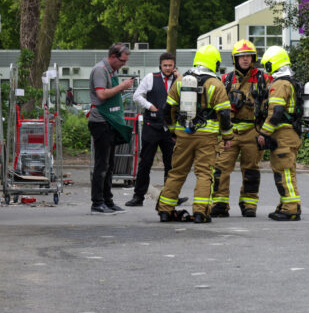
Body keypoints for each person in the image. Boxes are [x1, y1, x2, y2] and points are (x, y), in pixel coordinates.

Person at [156, 44, 233, 224]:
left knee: (176, 172)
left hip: (183, 135)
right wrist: (228, 136)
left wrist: (175, 130)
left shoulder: (181, 80)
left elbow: (167, 110)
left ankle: (165, 211)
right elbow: (224, 114)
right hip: (207, 138)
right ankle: (200, 213)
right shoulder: (216, 84)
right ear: (214, 63)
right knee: (205, 174)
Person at [211, 40, 271, 218]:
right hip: (229, 132)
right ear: (235, 59)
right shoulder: (225, 80)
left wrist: (265, 131)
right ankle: (220, 203)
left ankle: (249, 204)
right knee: (221, 167)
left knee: (251, 169)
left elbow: (272, 106)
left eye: (248, 56)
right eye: (241, 56)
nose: (245, 59)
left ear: (253, 58)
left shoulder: (264, 79)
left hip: (253, 131)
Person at [125, 52, 179, 207]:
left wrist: (179, 77)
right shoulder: (150, 78)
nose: (168, 68)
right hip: (151, 126)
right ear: (160, 66)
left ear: (174, 66)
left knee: (172, 164)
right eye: (165, 65)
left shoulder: (179, 80)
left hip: (170, 129)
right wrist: (150, 106)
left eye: (170, 65)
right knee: (145, 163)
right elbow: (137, 96)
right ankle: (138, 197)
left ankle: (171, 196)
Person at [256, 46, 302, 221]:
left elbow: (275, 112)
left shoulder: (280, 84)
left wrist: (264, 134)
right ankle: (289, 205)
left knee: (284, 172)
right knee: (288, 172)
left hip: (283, 135)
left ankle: (290, 209)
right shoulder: (291, 81)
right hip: (292, 134)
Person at [88, 43, 135, 215]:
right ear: (114, 57)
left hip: (110, 122)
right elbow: (101, 95)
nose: (124, 64)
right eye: (122, 61)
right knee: (102, 165)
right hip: (100, 122)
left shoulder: (112, 70)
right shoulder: (100, 70)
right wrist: (122, 87)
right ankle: (97, 203)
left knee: (110, 164)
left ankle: (108, 201)